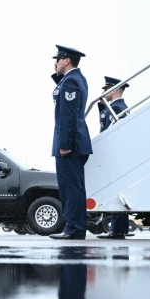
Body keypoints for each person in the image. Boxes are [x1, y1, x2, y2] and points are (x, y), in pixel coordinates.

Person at [49, 45, 92, 240]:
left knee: (70, 187)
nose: (55, 63)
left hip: (70, 144)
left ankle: (74, 228)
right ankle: (75, 226)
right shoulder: (75, 79)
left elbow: (68, 116)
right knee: (74, 186)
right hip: (75, 142)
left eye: (57, 59)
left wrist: (64, 144)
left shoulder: (71, 82)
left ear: (66, 60)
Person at [97, 76, 130, 240]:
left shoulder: (116, 108)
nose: (103, 92)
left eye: (106, 89)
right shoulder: (118, 107)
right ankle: (119, 228)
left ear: (115, 89)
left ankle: (117, 229)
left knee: (116, 193)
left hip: (114, 156)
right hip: (117, 156)